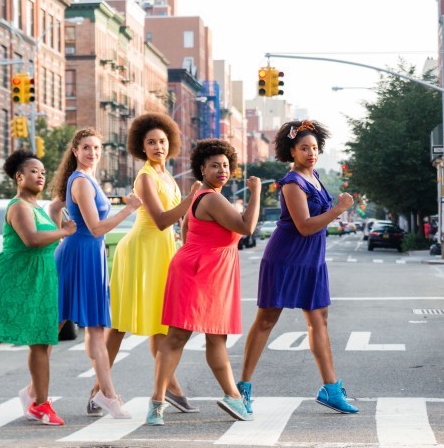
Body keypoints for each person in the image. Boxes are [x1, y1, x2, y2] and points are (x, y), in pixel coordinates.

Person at [237, 120, 359, 416]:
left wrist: (335, 213)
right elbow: (304, 226)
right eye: (304, 148)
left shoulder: (314, 175)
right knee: (266, 320)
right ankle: (242, 387)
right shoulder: (292, 182)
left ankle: (331, 389)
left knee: (319, 320)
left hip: (313, 261)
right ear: (291, 151)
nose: (310, 152)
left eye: (314, 147)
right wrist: (338, 210)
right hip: (286, 257)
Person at [0, 150, 76, 427]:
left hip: (42, 280)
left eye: (43, 171)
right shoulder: (18, 206)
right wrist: (64, 231)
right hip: (11, 280)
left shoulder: (39, 208)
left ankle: (41, 404)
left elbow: (49, 242)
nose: (40, 175)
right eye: (34, 171)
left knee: (41, 342)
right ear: (19, 177)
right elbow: (32, 239)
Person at [93, 113, 202, 415]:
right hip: (141, 250)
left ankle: (169, 388)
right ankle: (99, 389)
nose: (158, 147)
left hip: (163, 252)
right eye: (151, 142)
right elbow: (162, 219)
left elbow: (178, 224)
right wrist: (191, 198)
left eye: (162, 141)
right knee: (121, 325)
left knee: (161, 322)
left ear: (171, 143)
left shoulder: (166, 175)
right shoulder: (145, 177)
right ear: (141, 147)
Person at [147, 139, 261, 426]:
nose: (222, 170)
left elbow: (186, 229)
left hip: (208, 269)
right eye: (214, 166)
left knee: (214, 336)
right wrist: (256, 192)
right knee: (179, 337)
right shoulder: (211, 197)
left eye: (225, 165)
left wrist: (198, 252)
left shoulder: (203, 196)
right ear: (202, 168)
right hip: (201, 270)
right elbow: (247, 227)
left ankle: (230, 396)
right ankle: (159, 402)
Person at [48, 127, 141, 419]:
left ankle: (105, 394)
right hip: (78, 254)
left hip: (89, 254)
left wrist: (62, 227)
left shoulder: (87, 180)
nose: (92, 153)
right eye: (86, 147)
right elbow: (96, 228)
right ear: (75, 151)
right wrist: (129, 210)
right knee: (52, 326)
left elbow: (55, 207)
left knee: (95, 328)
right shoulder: (81, 183)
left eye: (97, 148)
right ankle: (36, 393)